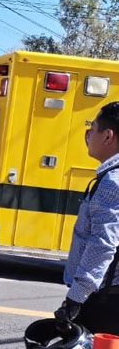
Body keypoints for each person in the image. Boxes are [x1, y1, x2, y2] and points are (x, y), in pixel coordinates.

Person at [54, 101, 119, 336]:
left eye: (92, 128)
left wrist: (75, 299)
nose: (87, 135)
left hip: (105, 301)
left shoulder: (112, 183)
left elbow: (102, 245)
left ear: (108, 136)